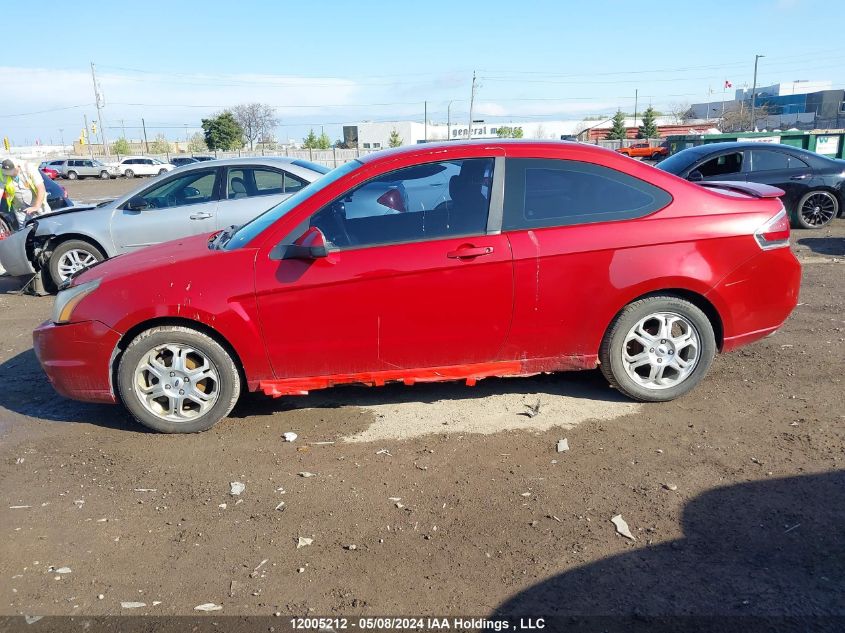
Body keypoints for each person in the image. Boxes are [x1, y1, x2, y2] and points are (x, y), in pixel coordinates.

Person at [1, 157, 50, 228]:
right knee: (24, 232)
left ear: (17, 166)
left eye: (12, 172)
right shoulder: (3, 172)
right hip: (20, 209)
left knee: (45, 228)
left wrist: (36, 206)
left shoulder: (29, 168)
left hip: (38, 206)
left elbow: (41, 188)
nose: (10, 175)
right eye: (8, 173)